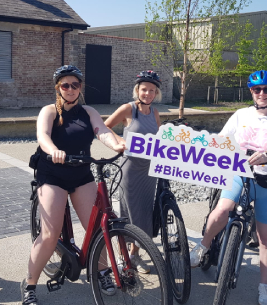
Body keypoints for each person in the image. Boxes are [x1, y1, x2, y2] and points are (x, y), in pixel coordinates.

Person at [21, 65, 125, 305]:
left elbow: (102, 131)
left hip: (81, 172)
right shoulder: (49, 111)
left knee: (98, 227)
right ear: (58, 88)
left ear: (80, 87)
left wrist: (116, 145)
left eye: (74, 85)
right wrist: (54, 150)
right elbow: (42, 136)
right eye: (65, 85)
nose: (70, 89)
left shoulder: (88, 112)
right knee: (50, 234)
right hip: (53, 174)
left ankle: (101, 272)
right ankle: (29, 285)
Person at [189, 70, 267, 305]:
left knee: (266, 237)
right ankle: (203, 247)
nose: (262, 94)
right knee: (221, 210)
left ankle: (264, 286)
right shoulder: (240, 115)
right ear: (251, 92)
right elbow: (223, 139)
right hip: (240, 174)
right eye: (257, 90)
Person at [104, 70, 162, 274]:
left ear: (156, 94)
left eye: (152, 91)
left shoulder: (154, 113)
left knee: (144, 212)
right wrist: (118, 142)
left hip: (149, 170)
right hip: (130, 169)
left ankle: (135, 255)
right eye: (144, 89)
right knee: (128, 212)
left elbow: (160, 138)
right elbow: (103, 127)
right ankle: (124, 256)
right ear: (137, 90)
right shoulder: (128, 109)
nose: (147, 93)